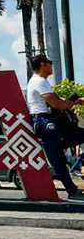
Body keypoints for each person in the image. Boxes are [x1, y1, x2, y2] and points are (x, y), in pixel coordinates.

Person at [27, 54, 84, 203]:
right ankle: (72, 191)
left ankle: (72, 188)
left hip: (48, 122)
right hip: (44, 122)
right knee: (58, 158)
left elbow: (58, 102)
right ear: (42, 65)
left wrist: (74, 101)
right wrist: (71, 103)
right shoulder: (39, 82)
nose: (52, 65)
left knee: (64, 150)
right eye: (49, 62)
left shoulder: (41, 82)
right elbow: (57, 105)